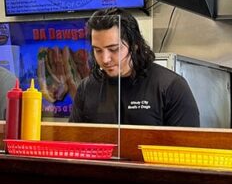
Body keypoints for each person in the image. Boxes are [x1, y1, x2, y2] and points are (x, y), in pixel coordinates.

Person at [69, 8, 200, 127]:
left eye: (114, 49)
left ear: (134, 45)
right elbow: (73, 143)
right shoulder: (87, 89)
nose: (105, 59)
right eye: (98, 50)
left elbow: (188, 148)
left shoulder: (171, 87)